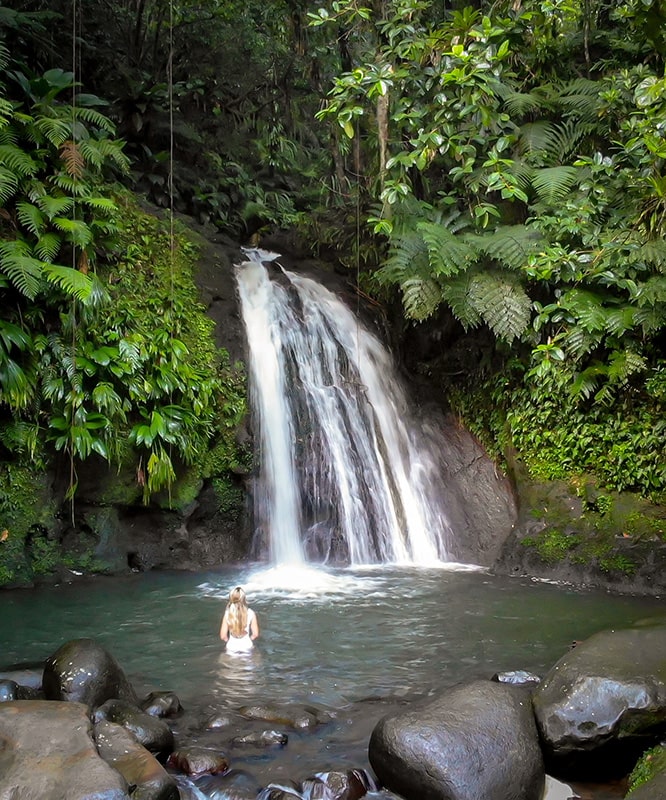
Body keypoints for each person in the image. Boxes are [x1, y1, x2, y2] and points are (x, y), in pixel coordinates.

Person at [220, 586, 259, 654]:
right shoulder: (250, 612)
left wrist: (229, 640)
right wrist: (249, 639)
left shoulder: (227, 613)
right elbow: (255, 634)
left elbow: (223, 636)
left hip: (232, 646)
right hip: (247, 645)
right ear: (244, 599)